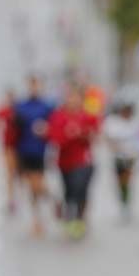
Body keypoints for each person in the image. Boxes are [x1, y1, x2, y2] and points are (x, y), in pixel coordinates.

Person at [47, 85, 100, 239]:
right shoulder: (59, 116)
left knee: (81, 189)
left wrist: (81, 134)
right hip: (65, 162)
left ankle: (80, 218)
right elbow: (55, 138)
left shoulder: (87, 116)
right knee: (69, 191)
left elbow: (94, 135)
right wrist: (69, 134)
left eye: (75, 97)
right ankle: (69, 216)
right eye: (70, 97)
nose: (72, 101)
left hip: (84, 161)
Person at [14, 76, 56, 236]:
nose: (34, 88)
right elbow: (14, 129)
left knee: (36, 185)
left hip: (40, 151)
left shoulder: (47, 107)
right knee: (31, 187)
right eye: (31, 85)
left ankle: (40, 218)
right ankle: (38, 216)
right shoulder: (21, 106)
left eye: (36, 85)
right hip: (23, 151)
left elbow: (55, 126)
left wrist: (47, 129)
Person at [103, 103, 139, 222]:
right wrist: (116, 148)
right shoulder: (113, 122)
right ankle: (123, 201)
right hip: (118, 157)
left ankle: (126, 203)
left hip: (130, 158)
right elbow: (108, 138)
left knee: (127, 180)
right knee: (120, 182)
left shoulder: (135, 123)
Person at [0, 90, 20, 214]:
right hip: (8, 146)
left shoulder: (18, 111)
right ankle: (11, 199)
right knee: (9, 173)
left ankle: (16, 197)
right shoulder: (3, 111)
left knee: (19, 174)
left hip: (19, 146)